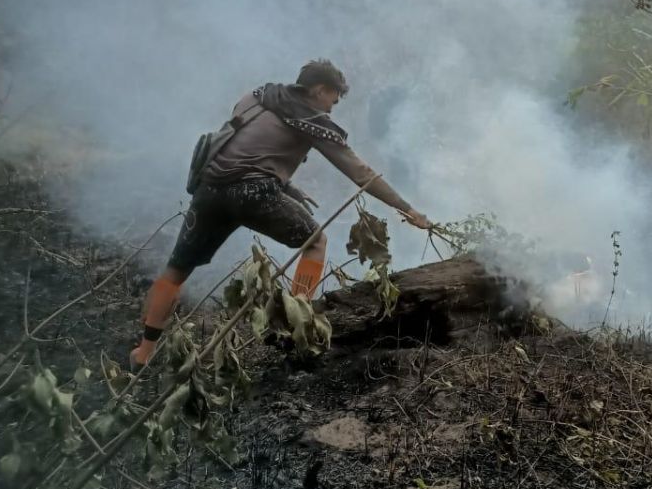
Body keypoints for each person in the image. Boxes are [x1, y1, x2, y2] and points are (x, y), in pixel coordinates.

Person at [130, 59, 431, 365]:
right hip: (252, 194)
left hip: (209, 192)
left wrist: (285, 186)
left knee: (175, 273)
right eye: (332, 100)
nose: (331, 109)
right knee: (315, 242)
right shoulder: (312, 120)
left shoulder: (255, 97)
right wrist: (408, 210)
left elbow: (241, 149)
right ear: (319, 90)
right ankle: (297, 323)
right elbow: (361, 173)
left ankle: (143, 351)